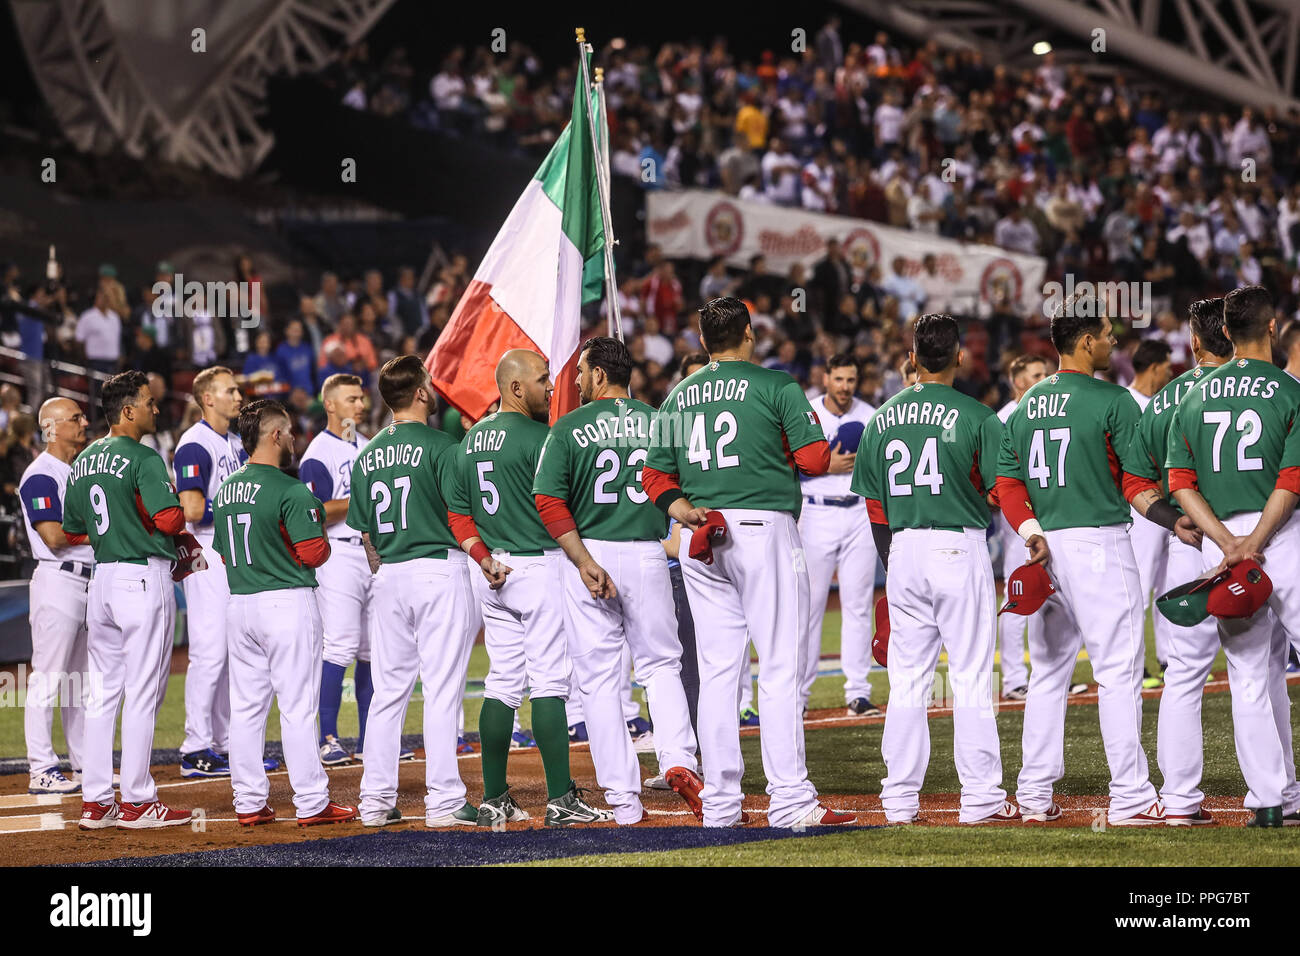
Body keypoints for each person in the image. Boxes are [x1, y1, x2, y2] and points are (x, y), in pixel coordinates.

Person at [642, 296, 855, 828]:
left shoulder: (678, 396)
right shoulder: (777, 386)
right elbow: (813, 459)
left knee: (717, 670)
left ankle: (720, 802)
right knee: (779, 664)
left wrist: (682, 509)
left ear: (702, 342)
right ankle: (789, 798)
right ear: (749, 333)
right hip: (763, 530)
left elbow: (653, 476)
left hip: (701, 532)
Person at [996, 295, 1190, 826]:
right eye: (1106, 334)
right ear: (1085, 342)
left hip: (1045, 548)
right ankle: (1129, 796)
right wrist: (1176, 521)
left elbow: (1008, 486)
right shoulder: (1113, 400)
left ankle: (1034, 795)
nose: (1113, 343)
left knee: (1048, 675)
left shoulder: (1025, 405)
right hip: (1100, 546)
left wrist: (1031, 531)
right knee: (1119, 673)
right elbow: (1135, 484)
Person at [532, 337, 703, 824]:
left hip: (592, 555)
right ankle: (677, 760)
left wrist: (583, 559)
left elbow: (548, 501)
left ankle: (625, 800)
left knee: (599, 682)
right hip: (650, 553)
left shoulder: (566, 428)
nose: (577, 380)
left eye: (582, 372)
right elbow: (683, 486)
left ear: (600, 375)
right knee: (662, 666)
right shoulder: (661, 420)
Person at [851, 314, 1014, 824]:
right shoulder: (978, 415)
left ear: (914, 358)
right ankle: (981, 798)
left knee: (907, 681)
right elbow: (997, 491)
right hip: (957, 547)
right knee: (968, 677)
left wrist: (892, 563)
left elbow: (873, 506)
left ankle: (899, 799)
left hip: (902, 550)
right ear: (960, 357)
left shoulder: (881, 417)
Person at [445, 348, 613, 827]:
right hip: (542, 569)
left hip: (495, 571)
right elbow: (563, 505)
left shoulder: (470, 439)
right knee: (549, 684)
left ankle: (494, 798)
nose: (551, 387)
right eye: (542, 380)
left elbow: (458, 514)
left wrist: (483, 559)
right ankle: (561, 798)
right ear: (515, 388)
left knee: (501, 683)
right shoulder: (542, 438)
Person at [1165, 285, 1300, 828]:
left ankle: (1270, 800)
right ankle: (1280, 796)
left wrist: (1227, 542)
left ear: (1224, 332)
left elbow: (1179, 482)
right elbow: (1292, 480)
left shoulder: (1191, 395)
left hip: (1220, 543)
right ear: (1271, 328)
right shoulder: (1290, 391)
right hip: (1282, 538)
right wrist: (1255, 541)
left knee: (1247, 673)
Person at [212, 399, 357, 827]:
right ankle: (312, 802)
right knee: (296, 708)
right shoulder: (291, 490)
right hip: (286, 603)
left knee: (246, 709)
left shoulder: (225, 491)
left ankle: (249, 802)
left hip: (240, 605)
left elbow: (224, 554)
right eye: (289, 431)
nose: (294, 438)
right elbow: (315, 553)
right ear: (275, 435)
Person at [348, 356, 478, 827]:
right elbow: (464, 515)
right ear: (421, 392)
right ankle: (444, 801)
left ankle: (375, 802)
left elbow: (365, 536)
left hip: (388, 576)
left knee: (387, 693)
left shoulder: (366, 455)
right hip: (438, 569)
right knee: (442, 690)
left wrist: (385, 574)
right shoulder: (444, 447)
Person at [63, 371, 192, 829]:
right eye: (149, 402)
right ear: (127, 410)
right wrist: (164, 515)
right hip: (141, 577)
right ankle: (138, 799)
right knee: (143, 691)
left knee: (103, 693)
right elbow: (171, 519)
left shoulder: (82, 460)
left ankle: (96, 800)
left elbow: (72, 528)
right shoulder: (144, 456)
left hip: (102, 580)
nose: (157, 409)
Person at [1125, 297, 1231, 825]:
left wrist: (1174, 520)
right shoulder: (1275, 387)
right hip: (1264, 539)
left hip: (1192, 544)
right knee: (1259, 671)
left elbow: (1134, 481)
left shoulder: (1167, 397)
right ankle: (1278, 793)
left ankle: (1182, 800)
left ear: (1193, 342)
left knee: (1185, 672)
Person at [299, 374, 396, 764]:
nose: (360, 405)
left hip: (372, 552)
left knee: (373, 649)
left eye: (361, 398)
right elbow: (314, 512)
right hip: (337, 555)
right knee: (339, 644)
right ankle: (326, 737)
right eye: (351, 399)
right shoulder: (317, 453)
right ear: (331, 406)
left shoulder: (369, 447)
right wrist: (359, 500)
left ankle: (370, 737)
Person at [172, 366, 248, 778]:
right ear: (208, 399)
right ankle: (194, 747)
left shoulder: (234, 441)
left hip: (229, 552)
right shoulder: (194, 444)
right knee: (208, 650)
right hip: (205, 555)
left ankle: (221, 743)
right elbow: (192, 511)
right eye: (230, 390)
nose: (238, 396)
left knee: (229, 652)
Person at [797, 353, 881, 717]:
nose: (845, 386)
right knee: (809, 607)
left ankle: (858, 692)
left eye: (851, 380)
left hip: (858, 511)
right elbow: (784, 461)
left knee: (858, 605)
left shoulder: (871, 415)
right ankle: (798, 696)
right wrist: (824, 464)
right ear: (826, 377)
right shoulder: (806, 412)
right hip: (815, 511)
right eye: (839, 379)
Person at [19, 398, 92, 794]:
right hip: (58, 580)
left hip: (87, 581)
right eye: (75, 418)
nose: (84, 422)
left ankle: (84, 764)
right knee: (48, 679)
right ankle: (42, 767)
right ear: (50, 427)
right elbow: (53, 536)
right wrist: (103, 532)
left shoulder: (78, 470)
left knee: (81, 682)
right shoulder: (41, 474)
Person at [995, 355, 1052, 701]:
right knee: (1018, 592)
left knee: (1050, 594)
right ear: (1017, 382)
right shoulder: (1002, 418)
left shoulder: (1045, 411)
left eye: (1045, 372)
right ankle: (1014, 678)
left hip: (1048, 512)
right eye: (1036, 374)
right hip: (1018, 518)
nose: (1044, 378)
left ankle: (1046, 672)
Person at [1125, 338, 1175, 688]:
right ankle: (1135, 666)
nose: (1170, 373)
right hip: (1140, 508)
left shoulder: (1157, 403)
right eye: (1168, 367)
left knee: (1167, 587)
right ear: (1155, 367)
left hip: (1164, 507)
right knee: (1139, 589)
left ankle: (1169, 660)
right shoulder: (1127, 403)